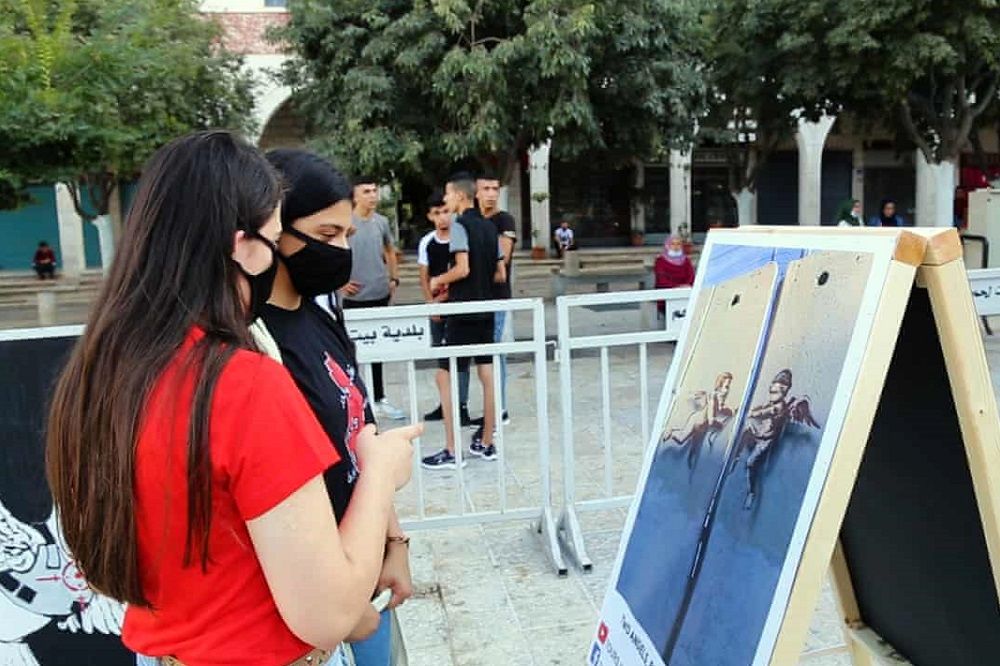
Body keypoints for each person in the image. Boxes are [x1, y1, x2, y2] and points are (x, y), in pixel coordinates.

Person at [45, 131, 419, 666]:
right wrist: (380, 471)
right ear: (242, 245)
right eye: (272, 240)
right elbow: (328, 614)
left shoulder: (99, 373)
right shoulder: (243, 384)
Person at [259, 150, 416, 666]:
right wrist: (346, 611)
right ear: (273, 229)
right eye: (326, 236)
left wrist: (394, 543)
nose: (341, 250)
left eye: (347, 235)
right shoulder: (252, 347)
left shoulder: (319, 317)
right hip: (312, 600)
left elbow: (360, 432)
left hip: (365, 572)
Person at [421, 172, 505, 469]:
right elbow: (500, 274)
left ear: (458, 196)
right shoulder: (489, 227)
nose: (445, 200)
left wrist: (438, 281)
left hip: (461, 312)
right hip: (486, 310)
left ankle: (452, 450)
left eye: (447, 194)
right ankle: (487, 442)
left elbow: (462, 268)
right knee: (486, 374)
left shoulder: (458, 225)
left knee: (444, 375)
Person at [341, 175, 406, 421]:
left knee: (379, 347)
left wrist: (393, 278)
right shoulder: (347, 223)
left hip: (379, 292)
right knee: (350, 349)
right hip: (353, 297)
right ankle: (355, 398)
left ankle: (380, 398)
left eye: (374, 191)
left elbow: (390, 250)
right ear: (355, 195)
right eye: (366, 191)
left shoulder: (381, 222)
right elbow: (335, 251)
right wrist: (341, 282)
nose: (372, 196)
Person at [419, 189, 464, 422]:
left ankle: (461, 405)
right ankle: (444, 404)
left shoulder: (460, 238)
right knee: (442, 357)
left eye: (446, 211)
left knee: (461, 359)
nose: (443, 217)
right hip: (437, 307)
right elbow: (424, 276)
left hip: (457, 305)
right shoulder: (427, 242)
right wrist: (431, 305)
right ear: (430, 216)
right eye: (437, 213)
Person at [476, 172, 516, 425]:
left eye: (495, 188)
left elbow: (503, 258)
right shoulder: (470, 220)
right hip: (473, 297)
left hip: (496, 297)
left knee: (495, 351)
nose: (491, 193)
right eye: (486, 188)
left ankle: (500, 409)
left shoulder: (504, 220)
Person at [654, 235, 695, 315]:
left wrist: (685, 286)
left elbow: (691, 276)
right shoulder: (660, 261)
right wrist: (676, 287)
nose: (676, 247)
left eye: (678, 244)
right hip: (667, 297)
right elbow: (661, 279)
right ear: (668, 246)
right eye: (673, 244)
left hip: (685, 295)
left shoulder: (686, 260)